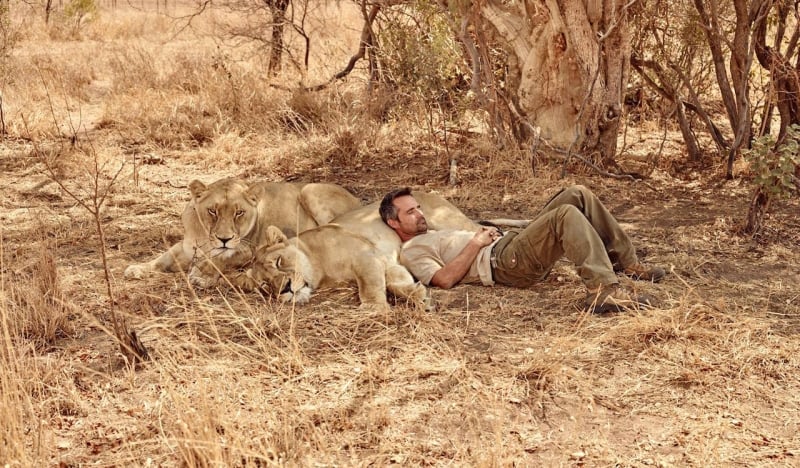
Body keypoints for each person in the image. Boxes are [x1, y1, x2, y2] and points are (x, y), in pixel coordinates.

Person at [379, 186, 665, 314]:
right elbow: (443, 280)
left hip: (510, 244)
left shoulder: (431, 234)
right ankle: (602, 291)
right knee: (564, 214)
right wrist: (476, 243)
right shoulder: (412, 250)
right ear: (394, 222)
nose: (419, 214)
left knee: (577, 193)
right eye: (410, 213)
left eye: (418, 207)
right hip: (505, 262)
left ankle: (626, 263)